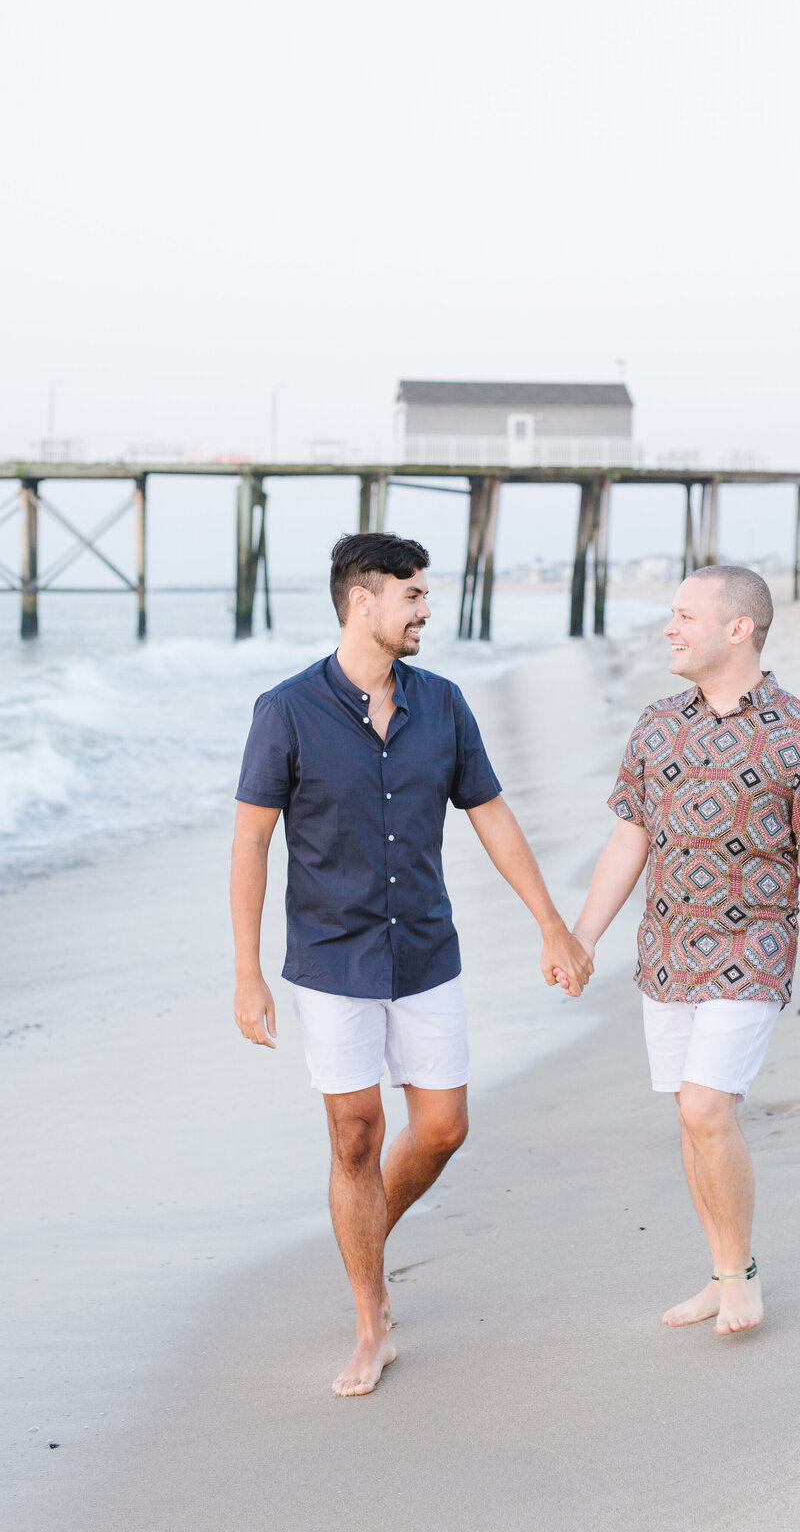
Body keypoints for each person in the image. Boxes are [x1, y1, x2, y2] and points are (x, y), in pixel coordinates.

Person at [231, 532, 591, 1396]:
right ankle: (371, 1320)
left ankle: (361, 1238)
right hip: (331, 958)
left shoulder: (444, 704)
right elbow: (251, 840)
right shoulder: (285, 711)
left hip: (426, 947)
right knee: (355, 1133)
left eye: (424, 594)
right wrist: (246, 972)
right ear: (364, 602)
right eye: (413, 596)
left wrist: (553, 923)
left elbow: (492, 814)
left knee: (442, 1130)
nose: (427, 608)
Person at [563, 565, 800, 1336]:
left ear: (738, 629)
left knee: (706, 1106)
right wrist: (583, 936)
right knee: (690, 1120)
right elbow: (631, 836)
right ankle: (722, 1273)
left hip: (753, 947)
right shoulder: (658, 723)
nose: (670, 628)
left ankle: (740, 1274)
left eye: (685, 615)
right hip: (665, 950)